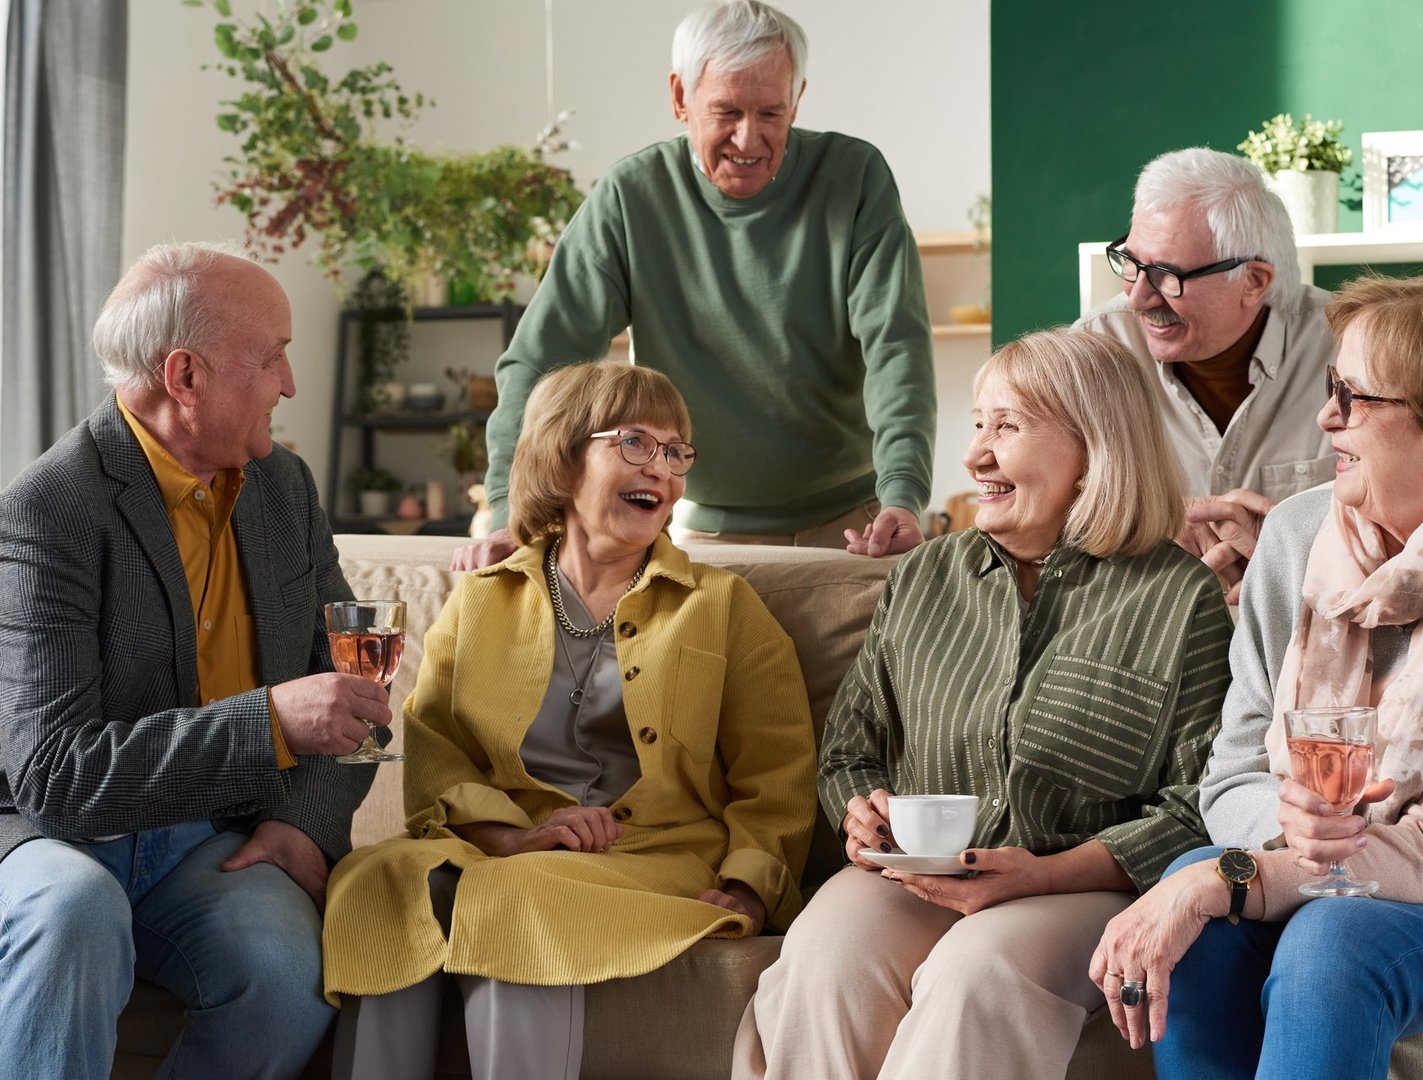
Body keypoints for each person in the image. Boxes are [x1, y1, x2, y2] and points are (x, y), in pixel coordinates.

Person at [1088, 272, 1423, 1078]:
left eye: (1354, 396)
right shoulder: (1298, 535)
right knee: (1192, 890)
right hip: (1355, 863)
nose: (1325, 415)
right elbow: (1230, 781)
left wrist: (1241, 878)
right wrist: (1284, 839)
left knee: (1334, 939)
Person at [733, 329, 1234, 1080]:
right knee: (823, 958)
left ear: (1093, 449)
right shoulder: (926, 576)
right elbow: (849, 750)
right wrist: (860, 807)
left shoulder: (1179, 598)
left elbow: (1199, 808)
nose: (974, 456)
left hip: (1077, 883)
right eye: (977, 424)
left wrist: (1043, 874)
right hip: (914, 872)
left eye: (1007, 427)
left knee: (975, 975)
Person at [324, 360, 818, 1080]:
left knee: (515, 897)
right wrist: (519, 836)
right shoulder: (482, 600)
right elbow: (437, 754)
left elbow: (778, 773)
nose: (665, 468)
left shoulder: (721, 606)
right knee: (382, 878)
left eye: (676, 451)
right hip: (506, 852)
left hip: (655, 859)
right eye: (636, 443)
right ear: (563, 456)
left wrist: (747, 885)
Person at [0, 242, 390, 1079]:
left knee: (285, 972)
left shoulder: (284, 487)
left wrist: (302, 821)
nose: (290, 383)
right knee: (73, 911)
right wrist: (272, 723)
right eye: (272, 354)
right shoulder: (47, 512)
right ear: (185, 377)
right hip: (51, 836)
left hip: (206, 840)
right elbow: (54, 776)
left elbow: (353, 693)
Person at [454, 0, 935, 570]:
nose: (748, 139)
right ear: (680, 97)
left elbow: (896, 347)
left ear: (797, 97)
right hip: (697, 526)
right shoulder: (632, 198)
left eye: (772, 114)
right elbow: (541, 362)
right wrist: (514, 511)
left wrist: (904, 494)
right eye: (726, 111)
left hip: (853, 523)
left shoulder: (854, 178)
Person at [1076, 147, 1339, 602]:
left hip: (1310, 621)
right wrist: (1154, 516)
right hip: (1152, 621)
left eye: (1165, 274)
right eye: (1131, 263)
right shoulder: (1098, 346)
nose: (1138, 297)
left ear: (1254, 281)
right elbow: (1053, 493)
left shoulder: (1351, 346)